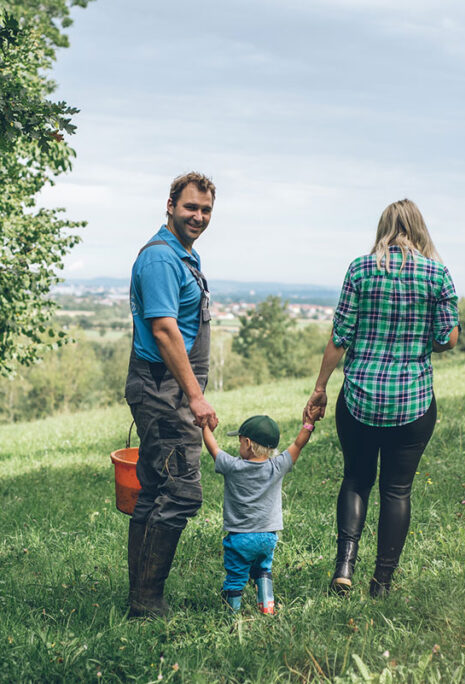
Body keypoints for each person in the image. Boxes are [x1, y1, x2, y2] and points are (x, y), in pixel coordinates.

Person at [303, 198, 459, 598]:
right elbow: (448, 338)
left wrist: (320, 388)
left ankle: (344, 568)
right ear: (419, 228)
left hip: (359, 397)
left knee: (356, 477)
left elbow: (341, 337)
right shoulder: (437, 274)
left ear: (384, 227)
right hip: (413, 401)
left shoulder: (359, 269)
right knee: (397, 489)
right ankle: (382, 582)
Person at [125, 172, 220, 618]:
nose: (198, 216)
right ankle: (147, 602)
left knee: (154, 490)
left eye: (205, 210)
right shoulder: (162, 260)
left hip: (167, 388)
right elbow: (164, 331)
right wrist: (196, 396)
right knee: (181, 491)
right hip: (162, 387)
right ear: (170, 205)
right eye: (190, 207)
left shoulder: (184, 256)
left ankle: (143, 599)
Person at [202, 409, 321, 614]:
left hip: (240, 538)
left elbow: (213, 449)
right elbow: (298, 444)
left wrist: (204, 427)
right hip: (268, 537)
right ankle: (267, 607)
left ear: (247, 443)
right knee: (263, 570)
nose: (240, 446)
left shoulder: (232, 467)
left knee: (236, 575)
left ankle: (232, 615)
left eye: (240, 442)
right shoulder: (277, 466)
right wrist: (308, 424)